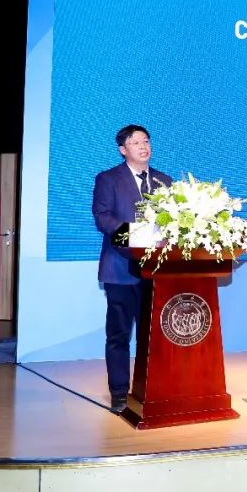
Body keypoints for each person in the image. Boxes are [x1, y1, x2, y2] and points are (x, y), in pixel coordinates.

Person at [92, 124, 172, 413]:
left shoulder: (164, 181)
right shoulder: (108, 179)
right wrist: (136, 236)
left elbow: (173, 220)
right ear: (123, 149)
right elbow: (103, 217)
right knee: (119, 335)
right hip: (120, 267)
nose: (143, 146)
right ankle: (119, 392)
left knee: (153, 336)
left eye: (146, 141)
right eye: (136, 142)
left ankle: (152, 388)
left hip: (157, 271)